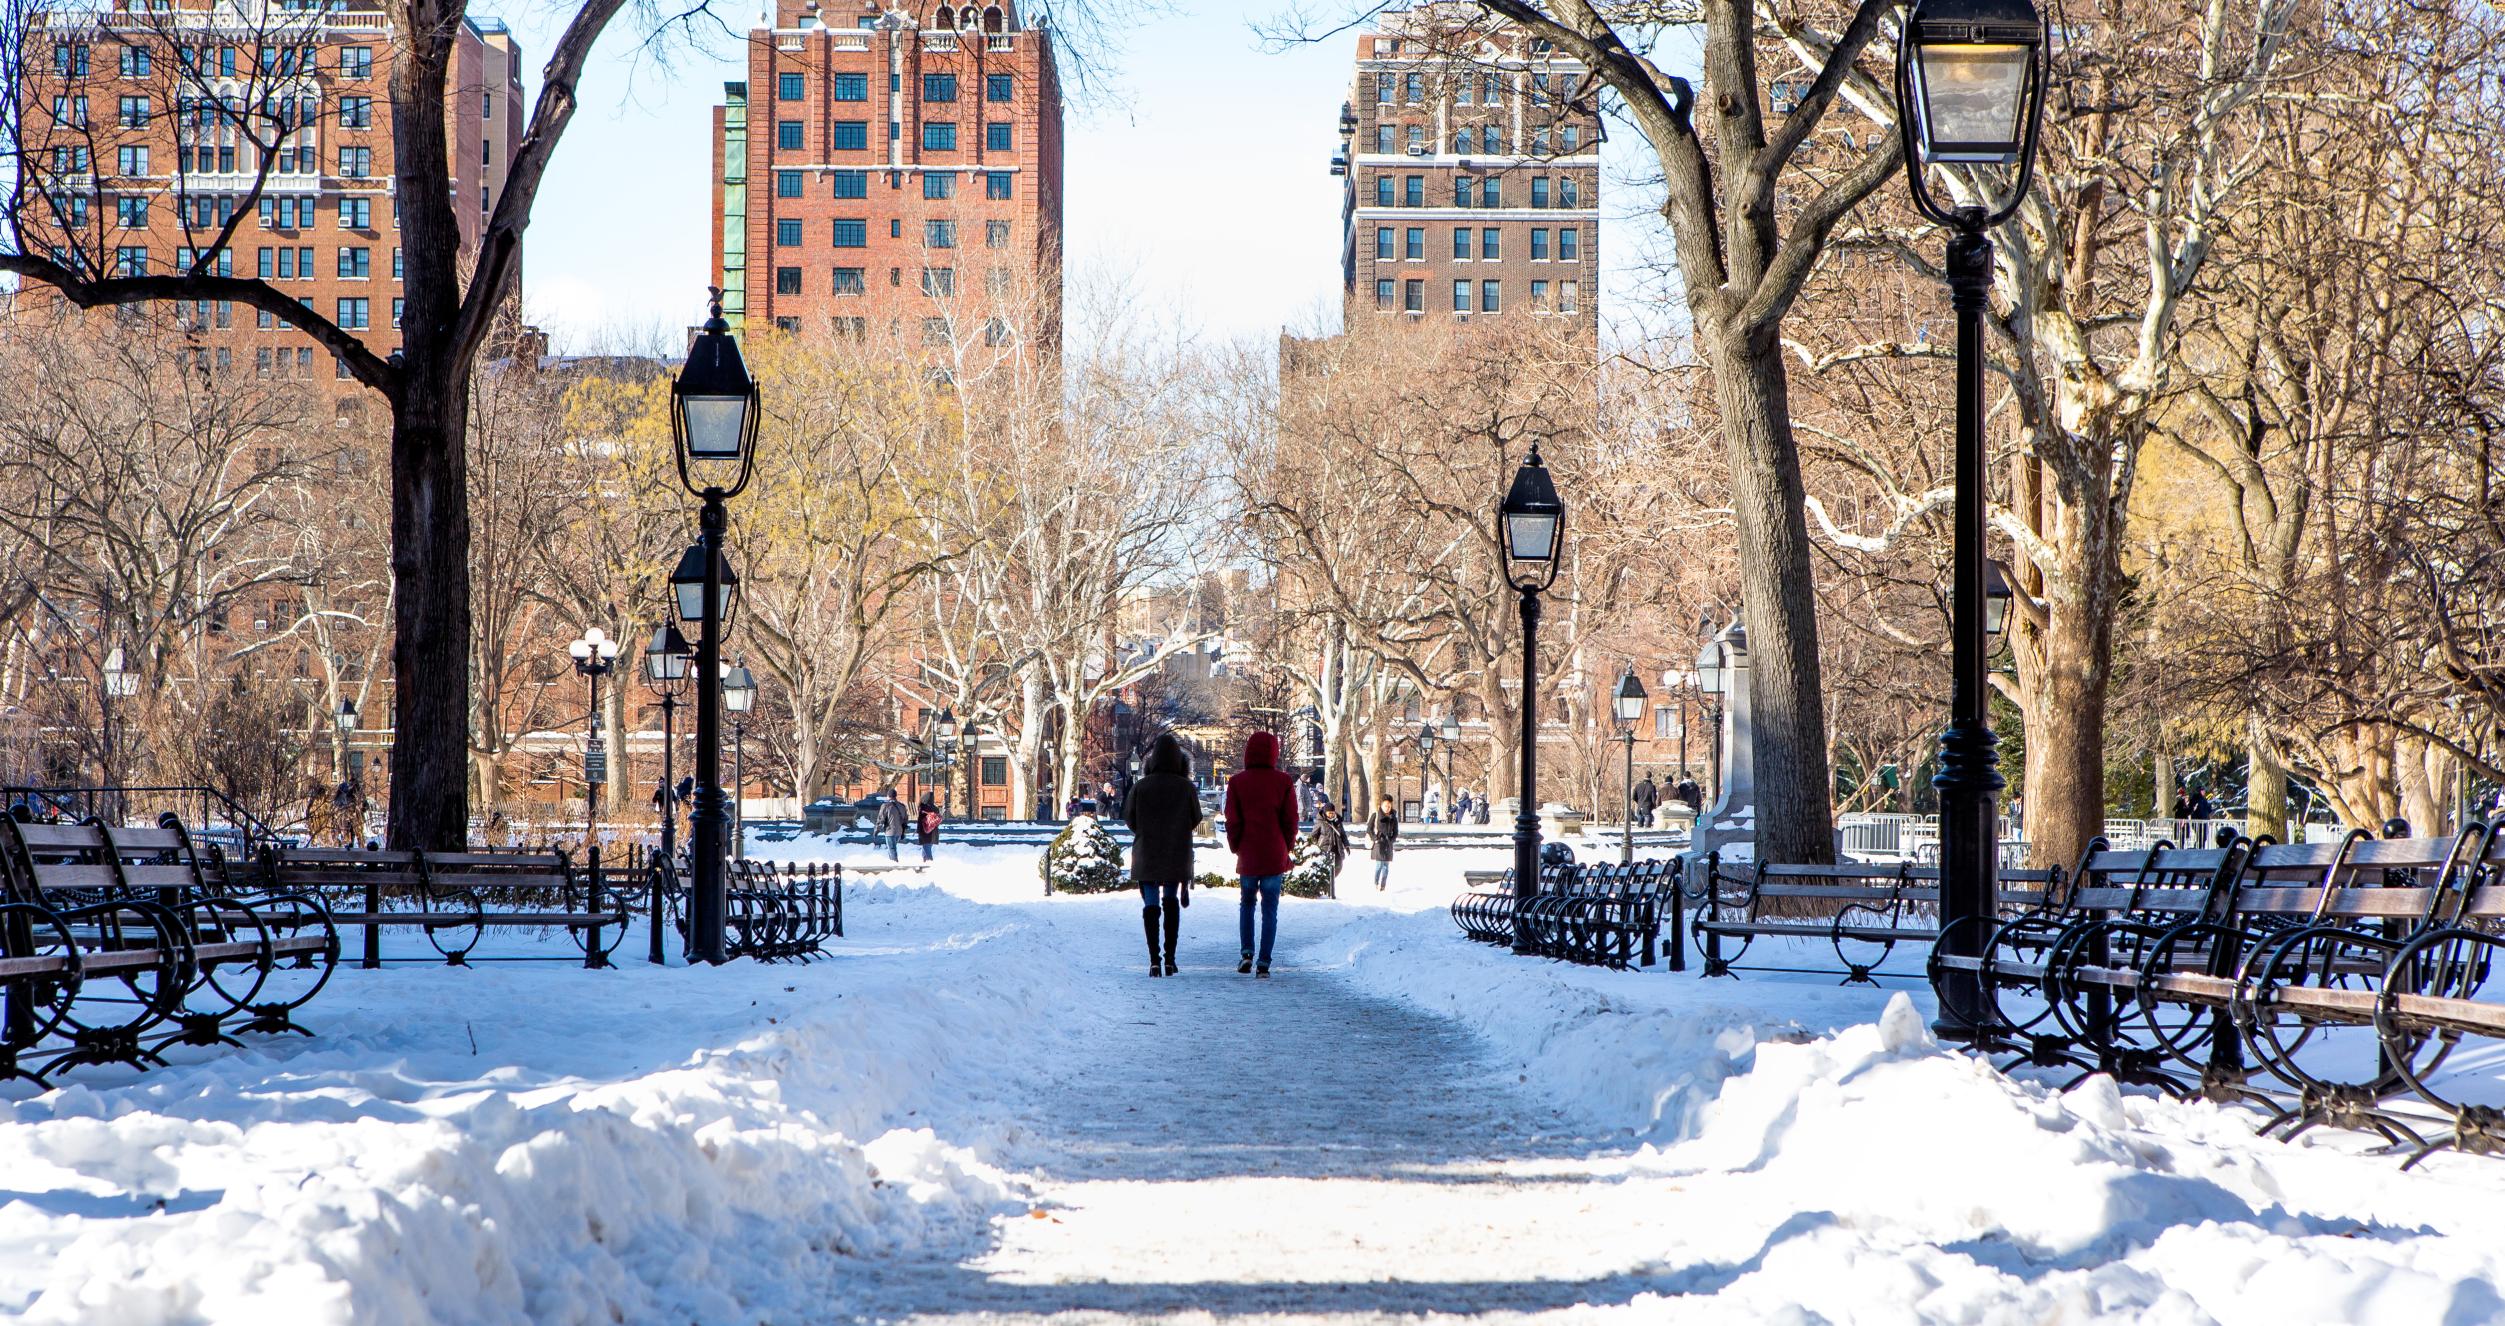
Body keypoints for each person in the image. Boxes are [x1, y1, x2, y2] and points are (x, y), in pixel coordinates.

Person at [1124, 733, 1201, 976]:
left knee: (1150, 904)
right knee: (1171, 901)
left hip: (1147, 852)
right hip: (1175, 853)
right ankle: (1170, 958)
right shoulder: (1186, 787)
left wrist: (1145, 831)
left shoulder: (1141, 787)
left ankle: (1154, 960)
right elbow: (1196, 818)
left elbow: (1129, 818)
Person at [1224, 730, 1298, 978]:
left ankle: (1246, 952)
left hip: (1248, 852)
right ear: (1274, 753)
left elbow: (1232, 820)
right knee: (1270, 908)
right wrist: (1286, 846)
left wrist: (1237, 846)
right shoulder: (1284, 781)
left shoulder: (1237, 782)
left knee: (1247, 903)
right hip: (1274, 853)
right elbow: (1291, 820)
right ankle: (1264, 961)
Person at [1313, 799, 1350, 898]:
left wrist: (1346, 845)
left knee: (1339, 866)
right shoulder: (1320, 822)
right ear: (1325, 812)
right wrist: (1314, 847)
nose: (1331, 815)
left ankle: (1329, 883)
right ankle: (1329, 890)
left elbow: (1343, 834)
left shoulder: (1338, 821)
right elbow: (1314, 835)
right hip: (1325, 849)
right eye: (1329, 813)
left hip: (1337, 849)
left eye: (1332, 813)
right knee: (1326, 870)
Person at [1368, 794, 1400, 891]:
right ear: (1381, 805)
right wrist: (1375, 838)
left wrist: (1392, 839)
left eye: (1389, 806)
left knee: (1386, 867)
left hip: (1388, 844)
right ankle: (1376, 883)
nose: (1387, 808)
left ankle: (1383, 886)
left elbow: (1396, 831)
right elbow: (1369, 829)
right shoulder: (1376, 815)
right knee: (1379, 865)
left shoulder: (1393, 817)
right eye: (1385, 805)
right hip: (1379, 843)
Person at [877, 790, 908, 861]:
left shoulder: (885, 805)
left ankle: (894, 864)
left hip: (889, 831)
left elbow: (881, 819)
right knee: (892, 848)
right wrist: (903, 831)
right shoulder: (902, 806)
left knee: (892, 848)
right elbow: (905, 819)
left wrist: (877, 829)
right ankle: (892, 862)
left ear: (888, 796)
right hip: (899, 831)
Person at [915, 796, 942, 862]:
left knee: (926, 849)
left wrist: (918, 831)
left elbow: (920, 821)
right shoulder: (935, 808)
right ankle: (925, 863)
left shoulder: (923, 808)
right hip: (933, 832)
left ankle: (929, 864)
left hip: (924, 831)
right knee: (927, 848)